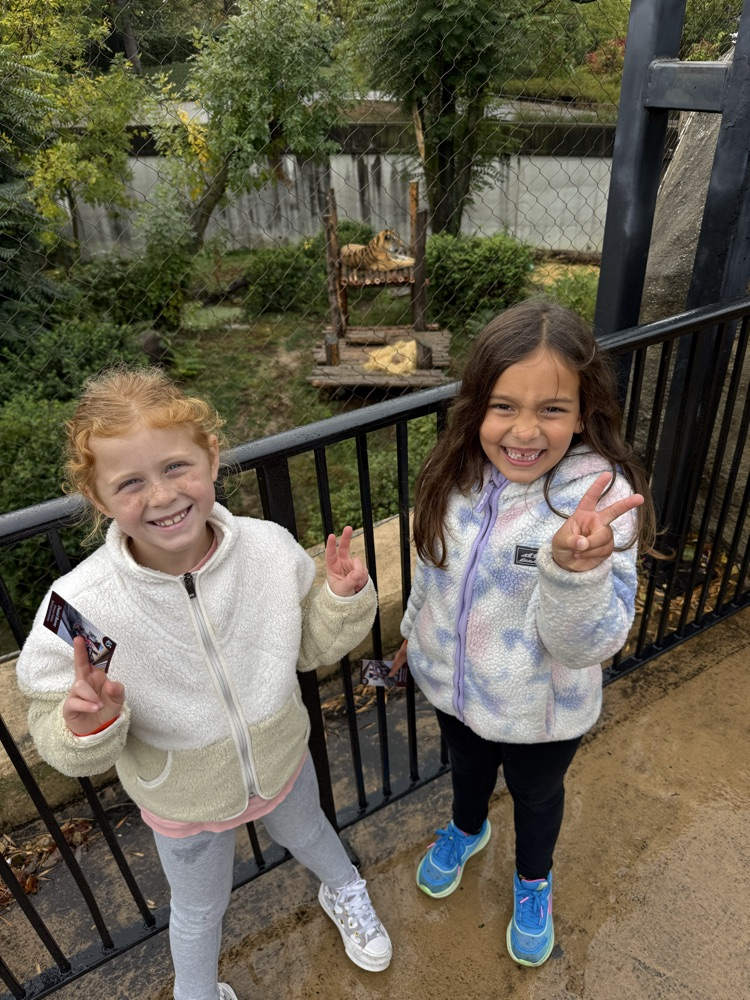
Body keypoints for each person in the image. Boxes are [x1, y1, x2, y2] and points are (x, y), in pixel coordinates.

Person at [16, 366, 392, 1000]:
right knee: (197, 909)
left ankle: (345, 888)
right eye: (130, 482)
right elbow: (54, 717)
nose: (161, 496)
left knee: (311, 831)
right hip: (181, 797)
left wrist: (340, 598)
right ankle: (195, 992)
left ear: (212, 457)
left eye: (175, 468)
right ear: (99, 498)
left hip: (280, 758)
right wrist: (84, 725)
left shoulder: (270, 550)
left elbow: (309, 647)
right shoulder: (79, 603)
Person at [390, 299, 656, 968]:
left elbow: (586, 644)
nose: (524, 431)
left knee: (537, 797)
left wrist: (572, 571)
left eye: (552, 409)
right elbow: (432, 564)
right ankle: (468, 828)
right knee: (470, 772)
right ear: (477, 403)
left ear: (585, 410)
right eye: (504, 405)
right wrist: (410, 632)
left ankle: (533, 880)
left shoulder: (596, 504)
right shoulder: (456, 473)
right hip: (455, 690)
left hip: (542, 714)